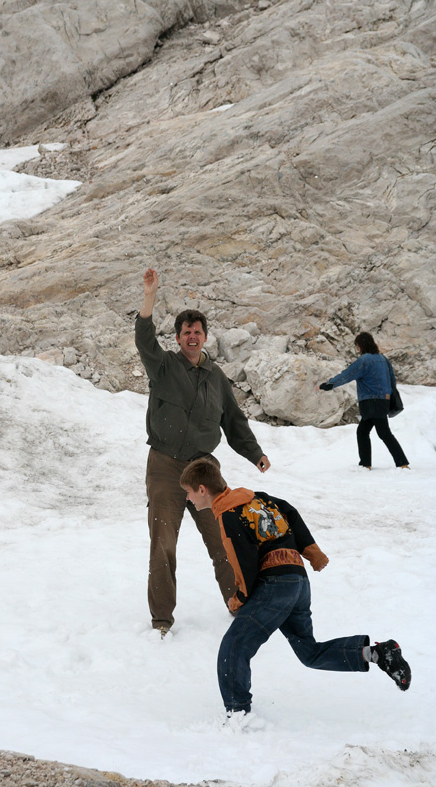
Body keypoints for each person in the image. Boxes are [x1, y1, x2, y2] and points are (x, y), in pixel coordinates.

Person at [179, 457, 411, 715]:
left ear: (202, 489)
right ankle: (378, 654)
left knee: (234, 646)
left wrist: (240, 597)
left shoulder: (228, 515)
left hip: (275, 584)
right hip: (298, 580)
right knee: (309, 652)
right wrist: (312, 551)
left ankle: (237, 714)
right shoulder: (258, 497)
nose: (188, 499)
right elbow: (290, 512)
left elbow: (244, 562)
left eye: (188, 493)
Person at [135, 268, 271, 636]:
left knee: (223, 538)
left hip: (204, 470)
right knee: (163, 544)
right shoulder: (163, 366)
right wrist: (150, 296)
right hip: (165, 465)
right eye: (186, 332)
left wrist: (254, 452)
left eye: (197, 332)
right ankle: (162, 619)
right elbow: (144, 339)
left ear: (205, 337)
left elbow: (234, 420)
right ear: (178, 338)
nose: (192, 337)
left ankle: (238, 602)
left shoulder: (217, 377)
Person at [317, 332, 409, 469]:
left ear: (360, 345)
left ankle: (402, 463)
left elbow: (347, 375)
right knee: (363, 431)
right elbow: (392, 380)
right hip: (382, 400)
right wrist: (388, 396)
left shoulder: (364, 360)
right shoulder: (383, 359)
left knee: (383, 432)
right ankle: (366, 464)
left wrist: (329, 384)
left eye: (357, 345)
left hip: (370, 401)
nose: (357, 348)